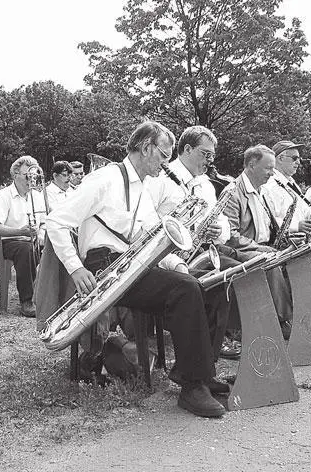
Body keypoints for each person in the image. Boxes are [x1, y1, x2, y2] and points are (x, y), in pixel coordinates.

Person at [45, 121, 226, 418]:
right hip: (104, 265)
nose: (166, 164)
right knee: (185, 289)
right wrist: (76, 269)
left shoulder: (146, 186)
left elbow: (153, 236)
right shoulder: (104, 179)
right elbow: (56, 222)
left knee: (197, 284)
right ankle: (192, 386)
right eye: (164, 156)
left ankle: (199, 375)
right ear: (145, 148)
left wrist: (185, 253)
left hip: (128, 264)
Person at [165, 125, 242, 361]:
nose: (209, 161)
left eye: (212, 155)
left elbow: (223, 224)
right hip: (170, 255)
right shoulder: (163, 179)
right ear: (187, 149)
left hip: (199, 251)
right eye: (205, 154)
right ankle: (204, 358)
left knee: (234, 272)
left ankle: (211, 354)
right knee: (223, 278)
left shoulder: (206, 185)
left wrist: (218, 230)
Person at [221, 145, 293, 337]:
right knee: (270, 262)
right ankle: (281, 320)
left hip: (260, 246)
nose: (272, 173)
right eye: (268, 168)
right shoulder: (232, 193)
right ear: (252, 165)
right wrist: (262, 248)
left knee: (300, 255)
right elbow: (230, 237)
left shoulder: (261, 190)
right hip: (240, 250)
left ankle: (298, 312)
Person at [0, 156, 46, 317]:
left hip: (29, 240)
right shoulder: (4, 196)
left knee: (54, 246)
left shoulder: (37, 196)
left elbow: (43, 223)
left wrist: (41, 233)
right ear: (15, 175)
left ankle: (49, 296)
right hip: (6, 243)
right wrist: (21, 232)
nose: (31, 179)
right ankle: (27, 301)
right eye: (28, 175)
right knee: (25, 249)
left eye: (34, 175)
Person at [262, 140, 311, 238]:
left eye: (299, 158)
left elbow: (302, 211)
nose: (298, 162)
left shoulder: (291, 183)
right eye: (294, 158)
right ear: (280, 158)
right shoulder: (270, 186)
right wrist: (297, 227)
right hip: (285, 245)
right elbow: (271, 221)